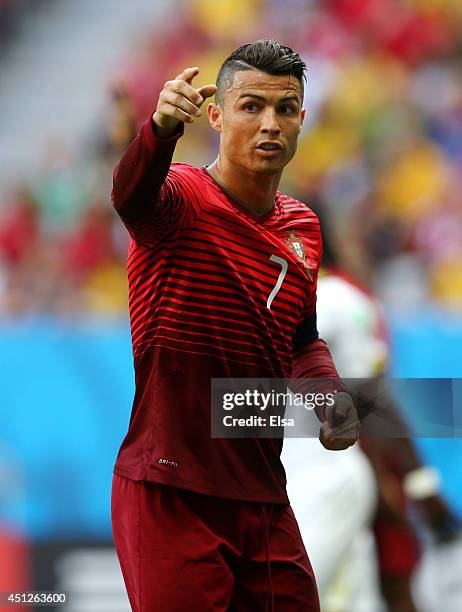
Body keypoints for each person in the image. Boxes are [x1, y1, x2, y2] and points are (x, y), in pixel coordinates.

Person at [110, 40, 359, 612]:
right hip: (172, 492)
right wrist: (159, 130)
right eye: (251, 107)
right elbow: (131, 196)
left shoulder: (304, 226)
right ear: (217, 115)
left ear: (302, 119)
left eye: (286, 109)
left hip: (264, 497)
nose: (270, 124)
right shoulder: (181, 200)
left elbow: (300, 337)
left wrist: (329, 397)